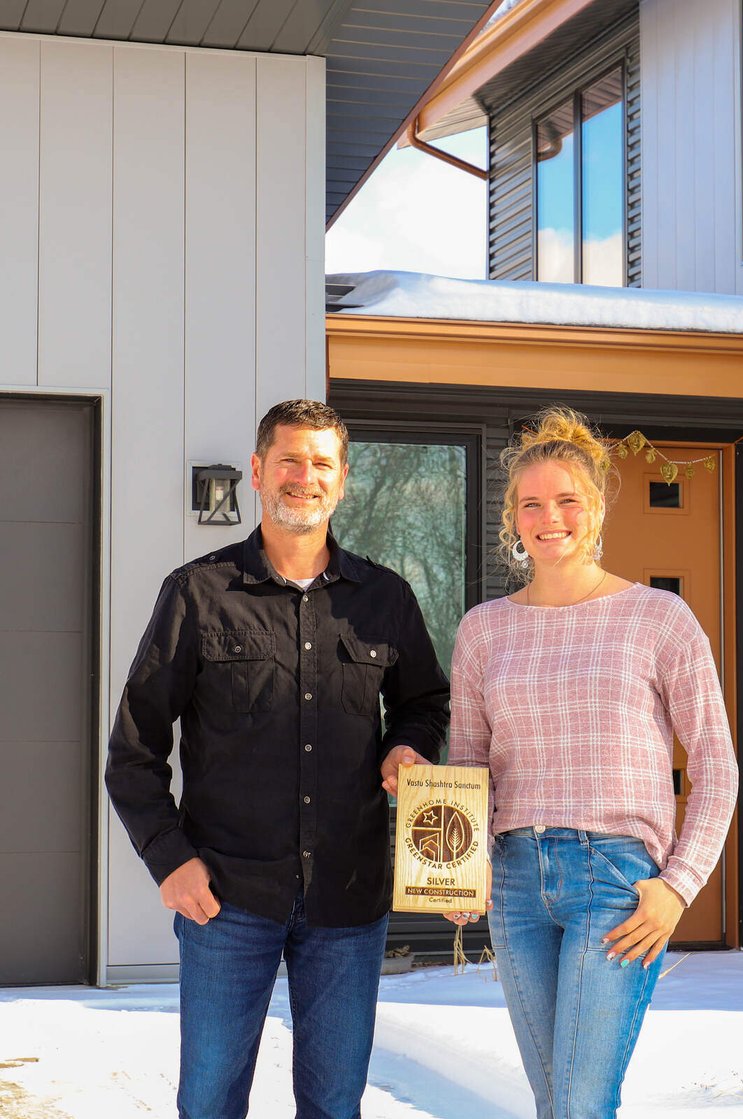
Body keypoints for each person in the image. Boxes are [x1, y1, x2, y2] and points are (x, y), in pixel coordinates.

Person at [106, 399, 448, 1119]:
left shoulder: (384, 598)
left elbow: (424, 702)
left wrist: (406, 745)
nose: (305, 476)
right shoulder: (197, 594)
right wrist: (170, 859)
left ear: (343, 479)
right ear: (259, 470)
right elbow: (134, 747)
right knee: (209, 1102)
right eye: (289, 459)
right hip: (225, 897)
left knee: (333, 1103)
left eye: (321, 462)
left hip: (347, 900)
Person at [446, 406, 738, 1119]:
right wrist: (458, 866)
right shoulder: (484, 629)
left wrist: (678, 885)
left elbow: (715, 764)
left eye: (568, 499)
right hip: (514, 884)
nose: (551, 517)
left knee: (579, 1100)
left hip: (615, 884)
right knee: (555, 1100)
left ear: (598, 507)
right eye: (532, 503)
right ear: (512, 518)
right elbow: (466, 764)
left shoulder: (657, 618)